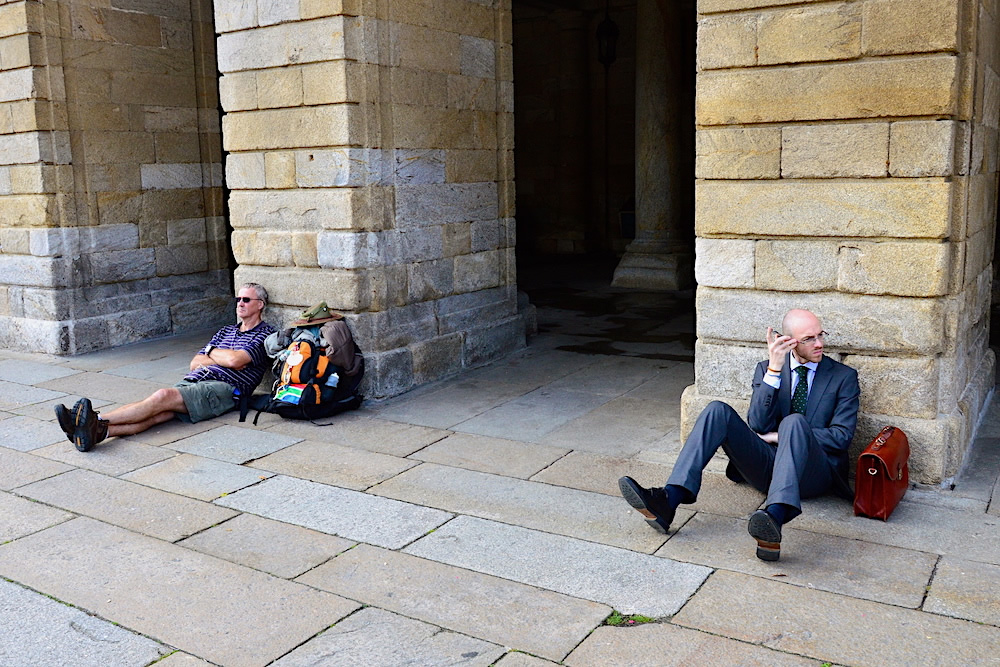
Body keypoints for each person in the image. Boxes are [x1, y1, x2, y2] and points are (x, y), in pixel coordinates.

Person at [618, 309, 859, 561]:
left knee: (794, 423)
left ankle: (774, 518)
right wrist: (775, 370)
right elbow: (758, 423)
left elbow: (841, 437)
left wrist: (780, 435)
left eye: (820, 335)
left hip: (812, 473)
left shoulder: (842, 377)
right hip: (767, 467)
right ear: (786, 341)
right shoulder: (767, 370)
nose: (819, 344)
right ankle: (669, 499)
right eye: (809, 338)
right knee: (716, 411)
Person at [55, 283, 277, 452]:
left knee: (162, 396)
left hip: (226, 389)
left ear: (260, 305)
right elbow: (195, 363)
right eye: (238, 298)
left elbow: (235, 361)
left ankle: (92, 419)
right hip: (196, 380)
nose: (240, 303)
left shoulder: (265, 334)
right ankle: (96, 433)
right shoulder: (225, 331)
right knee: (157, 414)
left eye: (246, 299)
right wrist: (219, 356)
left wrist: (211, 353)